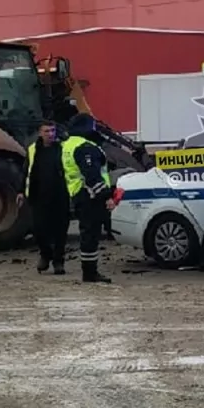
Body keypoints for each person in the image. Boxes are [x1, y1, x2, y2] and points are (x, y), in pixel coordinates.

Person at [63, 113, 114, 283]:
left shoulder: (67, 145)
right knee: (91, 235)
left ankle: (89, 271)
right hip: (90, 195)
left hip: (77, 193)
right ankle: (90, 273)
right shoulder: (85, 147)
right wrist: (106, 196)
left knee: (87, 233)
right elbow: (92, 175)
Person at [19, 120, 70, 275]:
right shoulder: (33, 150)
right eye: (47, 131)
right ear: (40, 133)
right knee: (39, 229)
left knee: (60, 231)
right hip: (38, 195)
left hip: (60, 195)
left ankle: (58, 261)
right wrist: (20, 191)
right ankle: (45, 255)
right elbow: (26, 171)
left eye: (53, 131)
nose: (50, 134)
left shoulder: (62, 149)